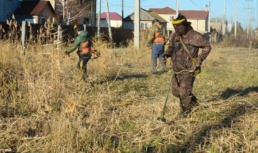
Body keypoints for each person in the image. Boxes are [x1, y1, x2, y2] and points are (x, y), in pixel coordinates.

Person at [163, 14, 212, 115]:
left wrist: (200, 59)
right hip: (176, 70)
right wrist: (166, 54)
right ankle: (194, 102)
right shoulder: (175, 36)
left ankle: (186, 112)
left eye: (179, 26)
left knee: (184, 93)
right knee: (175, 91)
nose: (177, 29)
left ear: (185, 25)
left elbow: (207, 46)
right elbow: (171, 48)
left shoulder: (195, 36)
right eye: (175, 27)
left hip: (189, 70)